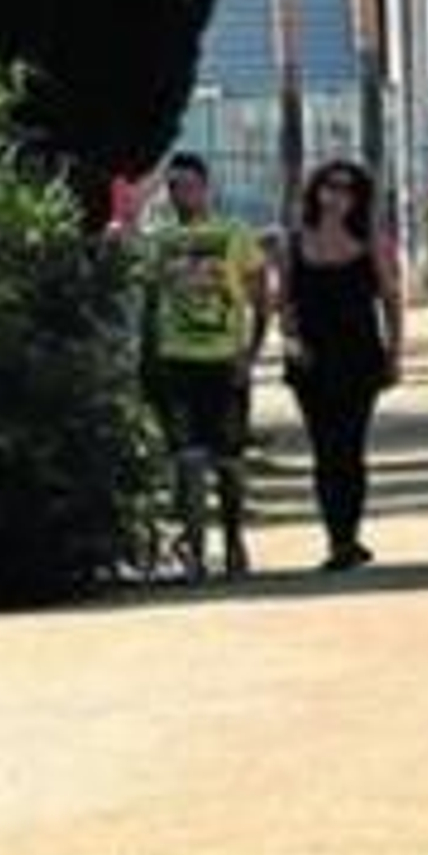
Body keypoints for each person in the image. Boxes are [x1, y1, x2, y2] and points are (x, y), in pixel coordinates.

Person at [138, 151, 270, 582]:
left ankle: (233, 543)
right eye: (174, 187)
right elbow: (150, 302)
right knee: (188, 460)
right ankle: (195, 550)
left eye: (190, 186)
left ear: (205, 188)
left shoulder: (234, 234)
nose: (182, 195)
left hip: (224, 361)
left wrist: (250, 354)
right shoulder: (159, 240)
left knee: (229, 461)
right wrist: (148, 360)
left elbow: (260, 297)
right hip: (177, 362)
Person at [280, 158, 403, 572]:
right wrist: (293, 344)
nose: (337, 196)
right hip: (310, 360)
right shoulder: (295, 242)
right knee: (323, 449)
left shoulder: (371, 242)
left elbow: (391, 299)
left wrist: (395, 353)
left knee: (350, 447)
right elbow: (285, 305)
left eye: (348, 189)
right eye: (329, 186)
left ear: (359, 198)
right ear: (316, 191)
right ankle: (336, 538)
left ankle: (348, 536)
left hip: (359, 357)